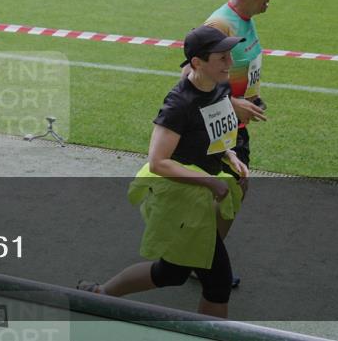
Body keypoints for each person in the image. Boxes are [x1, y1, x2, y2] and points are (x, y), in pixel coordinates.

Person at [77, 26, 248, 318]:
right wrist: (209, 182)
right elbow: (158, 162)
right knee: (217, 282)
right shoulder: (179, 104)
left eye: (229, 56)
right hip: (180, 197)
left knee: (172, 272)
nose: (229, 63)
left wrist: (229, 155)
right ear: (197, 63)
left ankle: (99, 294)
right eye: (221, 58)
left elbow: (215, 131)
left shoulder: (220, 88)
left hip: (200, 194)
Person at [202, 0, 274, 168]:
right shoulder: (220, 25)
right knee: (221, 194)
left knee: (234, 192)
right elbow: (190, 78)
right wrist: (232, 103)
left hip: (233, 127)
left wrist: (251, 96)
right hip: (214, 134)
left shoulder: (245, 19)